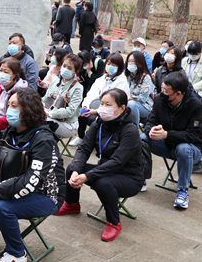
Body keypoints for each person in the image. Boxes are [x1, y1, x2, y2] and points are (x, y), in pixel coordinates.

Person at [0, 87, 64, 262]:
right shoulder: (11, 130)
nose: (8, 109)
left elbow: (32, 180)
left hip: (45, 194)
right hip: (14, 185)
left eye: (13, 106)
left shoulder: (43, 139)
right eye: (8, 104)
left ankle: (17, 253)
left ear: (28, 109)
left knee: (1, 207)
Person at [56, 89, 144, 241]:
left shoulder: (130, 130)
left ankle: (114, 222)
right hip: (105, 169)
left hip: (129, 177)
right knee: (72, 168)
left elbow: (117, 161)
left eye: (108, 104)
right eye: (102, 103)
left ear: (122, 108)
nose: (103, 107)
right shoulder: (99, 123)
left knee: (103, 182)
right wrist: (77, 170)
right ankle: (71, 204)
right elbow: (84, 148)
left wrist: (87, 176)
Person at [142, 71, 202, 209]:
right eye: (162, 90)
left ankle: (182, 190)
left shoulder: (195, 104)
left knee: (184, 148)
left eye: (167, 92)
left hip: (190, 149)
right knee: (142, 138)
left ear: (179, 93)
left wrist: (167, 135)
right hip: (166, 144)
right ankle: (141, 178)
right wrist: (151, 130)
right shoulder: (159, 99)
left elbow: (194, 136)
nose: (163, 94)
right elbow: (150, 122)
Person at [70, 53, 130, 146]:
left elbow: (116, 104)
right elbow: (91, 94)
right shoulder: (101, 79)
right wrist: (86, 106)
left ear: (120, 67)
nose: (110, 67)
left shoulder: (122, 82)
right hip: (96, 107)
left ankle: (97, 141)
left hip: (112, 112)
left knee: (95, 120)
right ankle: (81, 137)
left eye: (114, 65)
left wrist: (95, 111)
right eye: (108, 64)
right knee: (82, 113)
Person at [43, 53, 84, 139]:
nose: (65, 69)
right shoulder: (55, 82)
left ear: (75, 72)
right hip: (48, 117)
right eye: (64, 66)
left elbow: (69, 111)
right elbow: (45, 99)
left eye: (69, 68)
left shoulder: (78, 88)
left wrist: (50, 114)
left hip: (67, 124)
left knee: (43, 124)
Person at [125, 51, 155, 126]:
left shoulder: (146, 77)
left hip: (145, 106)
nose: (130, 64)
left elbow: (143, 98)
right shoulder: (128, 76)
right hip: (129, 101)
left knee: (131, 104)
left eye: (133, 62)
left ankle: (135, 127)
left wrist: (131, 97)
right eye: (129, 61)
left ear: (140, 63)